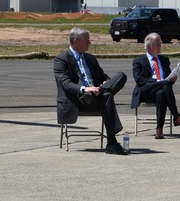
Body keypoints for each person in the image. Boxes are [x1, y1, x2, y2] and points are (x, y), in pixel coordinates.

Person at [54, 27, 129, 155]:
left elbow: (102, 76)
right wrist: (85, 89)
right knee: (107, 96)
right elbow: (66, 84)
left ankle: (97, 92)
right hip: (78, 100)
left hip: (96, 95)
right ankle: (112, 142)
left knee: (121, 76)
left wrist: (105, 82)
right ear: (76, 41)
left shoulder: (90, 58)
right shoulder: (61, 60)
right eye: (87, 40)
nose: (90, 43)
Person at [131, 32, 180, 139]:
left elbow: (168, 78)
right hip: (146, 91)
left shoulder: (164, 60)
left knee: (161, 93)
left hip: (161, 90)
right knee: (164, 84)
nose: (160, 47)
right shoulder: (138, 61)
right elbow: (140, 80)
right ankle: (177, 116)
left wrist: (173, 79)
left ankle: (159, 130)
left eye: (160, 44)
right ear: (149, 46)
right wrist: (158, 82)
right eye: (157, 45)